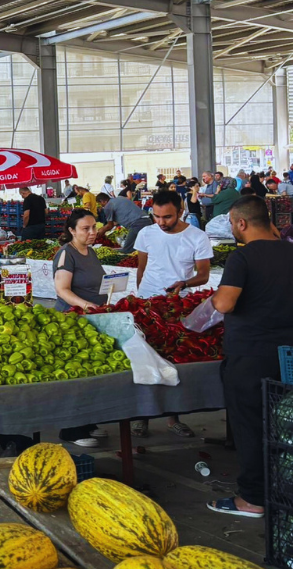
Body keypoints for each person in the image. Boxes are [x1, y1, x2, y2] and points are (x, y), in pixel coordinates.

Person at [207, 196, 293, 517]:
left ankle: (253, 499)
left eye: (231, 223)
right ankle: (283, 488)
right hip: (287, 355)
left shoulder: (242, 259)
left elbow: (225, 304)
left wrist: (213, 300)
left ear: (241, 223)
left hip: (251, 357)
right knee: (283, 424)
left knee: (251, 426)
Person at [129, 191, 212, 438]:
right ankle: (140, 416)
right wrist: (139, 299)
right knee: (143, 358)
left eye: (167, 217)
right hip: (147, 304)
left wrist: (184, 284)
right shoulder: (146, 233)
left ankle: (172, 416)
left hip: (177, 306)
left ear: (181, 210)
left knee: (172, 359)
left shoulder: (197, 237)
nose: (161, 222)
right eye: (156, 216)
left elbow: (204, 274)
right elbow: (141, 268)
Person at [51, 209, 109, 447]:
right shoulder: (67, 254)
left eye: (94, 227)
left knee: (91, 373)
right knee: (76, 374)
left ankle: (87, 422)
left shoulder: (91, 252)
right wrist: (87, 306)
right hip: (71, 321)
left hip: (91, 320)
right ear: (72, 231)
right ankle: (71, 429)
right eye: (86, 229)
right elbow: (62, 289)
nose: (93, 232)